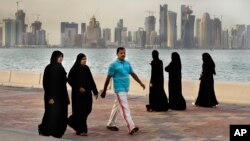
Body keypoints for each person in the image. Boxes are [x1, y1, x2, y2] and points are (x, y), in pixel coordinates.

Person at [101, 47, 145, 135]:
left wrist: (140, 83)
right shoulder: (113, 65)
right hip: (119, 89)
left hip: (125, 89)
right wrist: (104, 90)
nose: (123, 54)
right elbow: (108, 78)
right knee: (125, 108)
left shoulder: (127, 63)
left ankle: (110, 123)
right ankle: (131, 126)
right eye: (121, 53)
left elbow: (133, 74)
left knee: (117, 106)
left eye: (124, 53)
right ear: (117, 54)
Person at [38, 50, 69, 138]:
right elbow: (46, 84)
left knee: (62, 114)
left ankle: (58, 132)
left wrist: (67, 97)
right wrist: (49, 97)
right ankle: (44, 129)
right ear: (54, 57)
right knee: (50, 114)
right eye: (59, 57)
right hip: (52, 96)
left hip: (61, 96)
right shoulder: (49, 68)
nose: (61, 58)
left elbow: (63, 84)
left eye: (62, 57)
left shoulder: (61, 68)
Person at [67, 53, 98, 136]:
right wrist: (78, 88)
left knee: (88, 109)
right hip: (77, 95)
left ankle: (70, 121)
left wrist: (95, 91)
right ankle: (81, 130)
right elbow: (69, 80)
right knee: (79, 112)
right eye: (83, 59)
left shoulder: (86, 68)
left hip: (87, 94)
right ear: (79, 60)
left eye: (85, 59)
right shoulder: (74, 69)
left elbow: (91, 80)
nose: (85, 60)